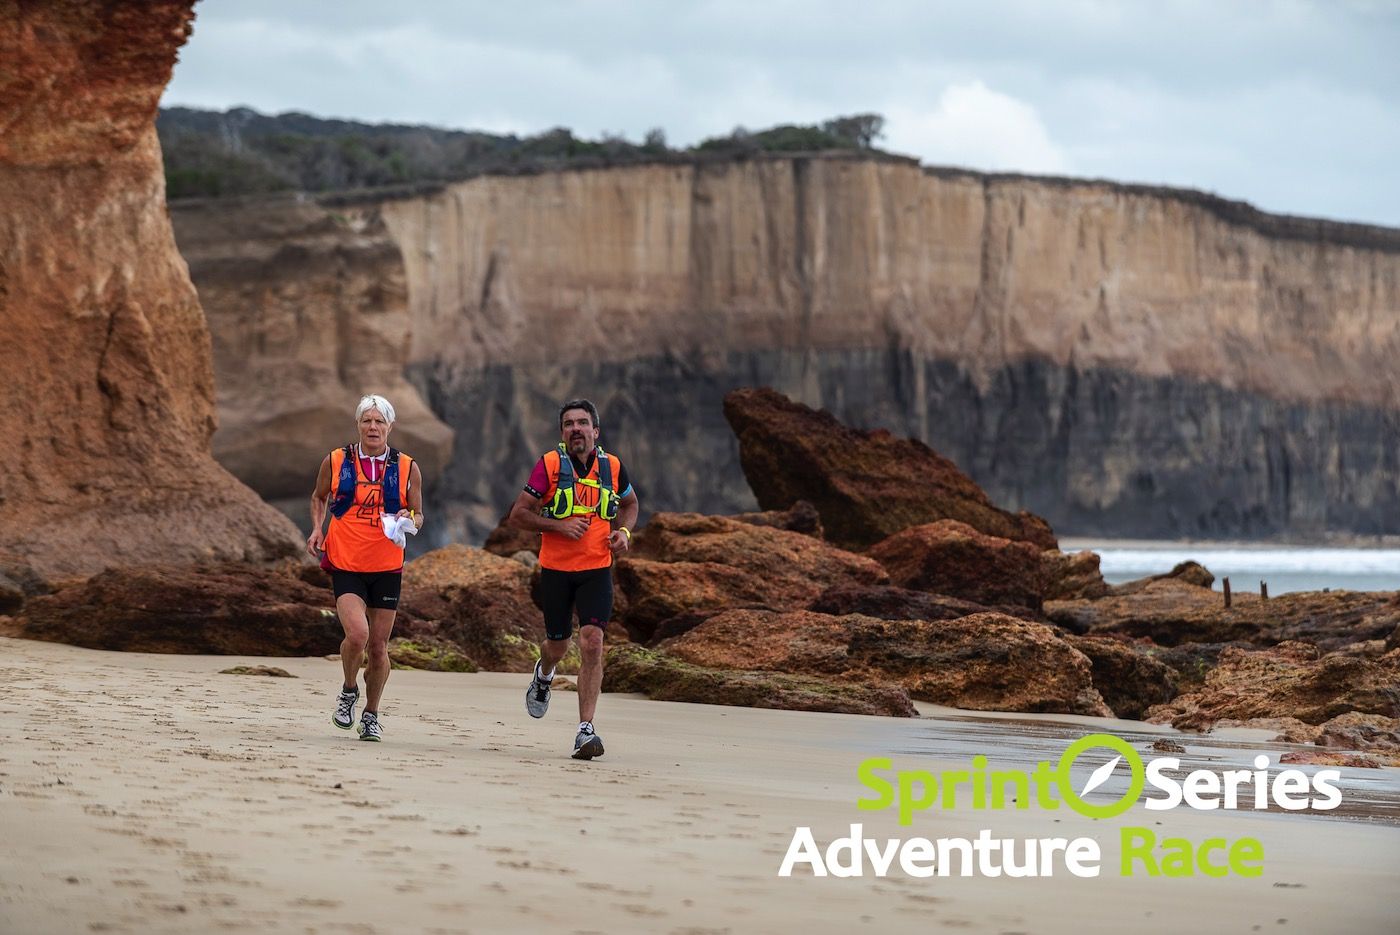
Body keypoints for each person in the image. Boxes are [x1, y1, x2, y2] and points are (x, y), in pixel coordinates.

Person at [507, 398, 639, 759]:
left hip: (597, 570)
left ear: (596, 431)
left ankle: (585, 729)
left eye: (583, 423)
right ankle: (544, 673)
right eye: (569, 424)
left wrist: (624, 533)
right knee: (558, 645)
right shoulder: (549, 466)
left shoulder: (612, 467)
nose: (576, 429)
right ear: (562, 433)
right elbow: (517, 515)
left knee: (593, 642)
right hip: (556, 572)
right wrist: (558, 526)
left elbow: (630, 504)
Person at [307, 394, 424, 742]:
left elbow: (419, 514)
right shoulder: (337, 459)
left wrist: (409, 517)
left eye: (379, 421)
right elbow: (319, 496)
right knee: (357, 635)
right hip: (346, 559)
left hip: (387, 564)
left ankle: (371, 714)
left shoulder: (407, 467)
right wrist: (316, 528)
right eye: (366, 421)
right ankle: (348, 691)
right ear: (358, 424)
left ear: (390, 426)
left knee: (378, 647)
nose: (373, 427)